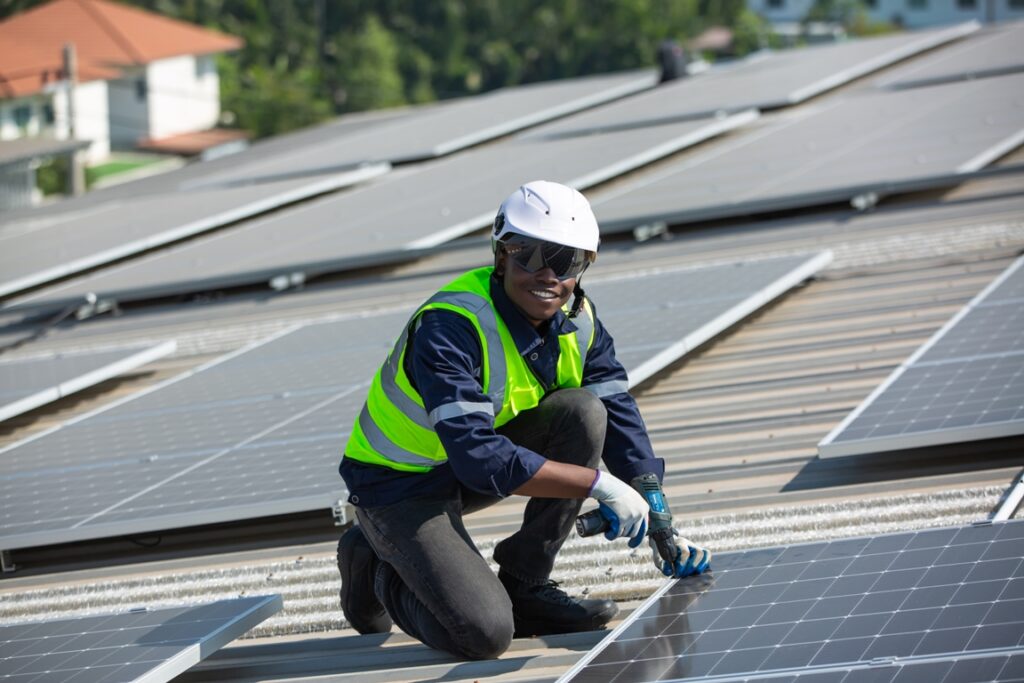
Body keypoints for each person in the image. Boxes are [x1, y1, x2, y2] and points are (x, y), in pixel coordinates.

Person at [336, 180, 710, 660]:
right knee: (483, 634)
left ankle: (526, 586)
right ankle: (376, 559)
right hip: (398, 486)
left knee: (584, 411)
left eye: (566, 260)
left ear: (582, 269)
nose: (547, 274)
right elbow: (479, 460)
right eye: (528, 255)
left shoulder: (580, 320)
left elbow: (618, 414)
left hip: (465, 466)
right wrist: (600, 486)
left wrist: (657, 508)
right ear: (500, 256)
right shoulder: (451, 325)